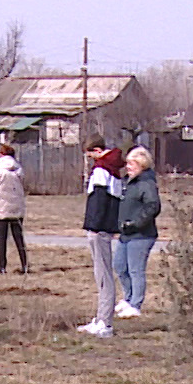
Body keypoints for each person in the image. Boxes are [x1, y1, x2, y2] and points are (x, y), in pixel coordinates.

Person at [77, 135, 124, 338]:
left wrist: (93, 226)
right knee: (103, 275)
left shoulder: (101, 170)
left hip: (100, 229)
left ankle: (105, 322)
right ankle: (101, 318)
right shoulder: (114, 169)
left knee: (103, 276)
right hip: (106, 227)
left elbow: (98, 201)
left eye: (90, 155)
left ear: (97, 150)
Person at [114, 146, 161, 318]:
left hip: (142, 235)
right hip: (125, 233)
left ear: (142, 164)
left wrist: (135, 223)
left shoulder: (146, 183)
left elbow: (152, 206)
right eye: (127, 164)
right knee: (119, 265)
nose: (128, 167)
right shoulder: (128, 182)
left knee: (136, 270)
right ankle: (127, 298)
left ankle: (136, 304)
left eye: (132, 164)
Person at [0, 143, 29, 274]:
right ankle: (24, 264)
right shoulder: (19, 169)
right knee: (18, 238)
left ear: (1, 154)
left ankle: (2, 267)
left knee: (1, 239)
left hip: (1, 208)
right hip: (17, 208)